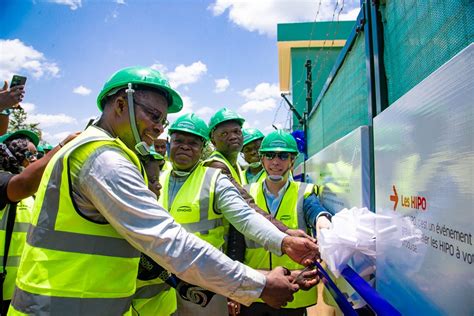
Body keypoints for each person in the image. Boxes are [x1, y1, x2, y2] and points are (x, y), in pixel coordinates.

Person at [8, 67, 300, 315]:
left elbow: (242, 215)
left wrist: (279, 243)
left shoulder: (108, 154)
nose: (159, 128)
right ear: (121, 105)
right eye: (154, 116)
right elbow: (167, 239)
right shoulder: (103, 160)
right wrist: (258, 285)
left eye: (163, 121)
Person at [154, 113, 319, 315]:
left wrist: (284, 240)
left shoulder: (214, 177)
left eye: (193, 142)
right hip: (163, 284)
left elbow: (245, 215)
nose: (185, 146)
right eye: (179, 141)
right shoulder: (158, 178)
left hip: (206, 281)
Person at [239, 130, 333, 316]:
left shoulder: (303, 192)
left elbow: (314, 210)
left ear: (292, 161)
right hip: (256, 288)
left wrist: (322, 220)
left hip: (293, 289)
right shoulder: (246, 192)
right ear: (262, 159)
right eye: (270, 155)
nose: (276, 162)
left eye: (283, 156)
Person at [204, 108, 315, 264]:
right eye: (224, 134)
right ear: (213, 141)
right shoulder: (217, 166)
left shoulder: (234, 166)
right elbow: (246, 205)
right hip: (216, 250)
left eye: (237, 131)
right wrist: (286, 231)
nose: (233, 136)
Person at [0, 129, 78, 314]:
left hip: (26, 288)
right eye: (29, 155)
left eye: (38, 154)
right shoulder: (5, 183)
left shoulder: (37, 193)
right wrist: (61, 147)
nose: (36, 159)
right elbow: (23, 184)